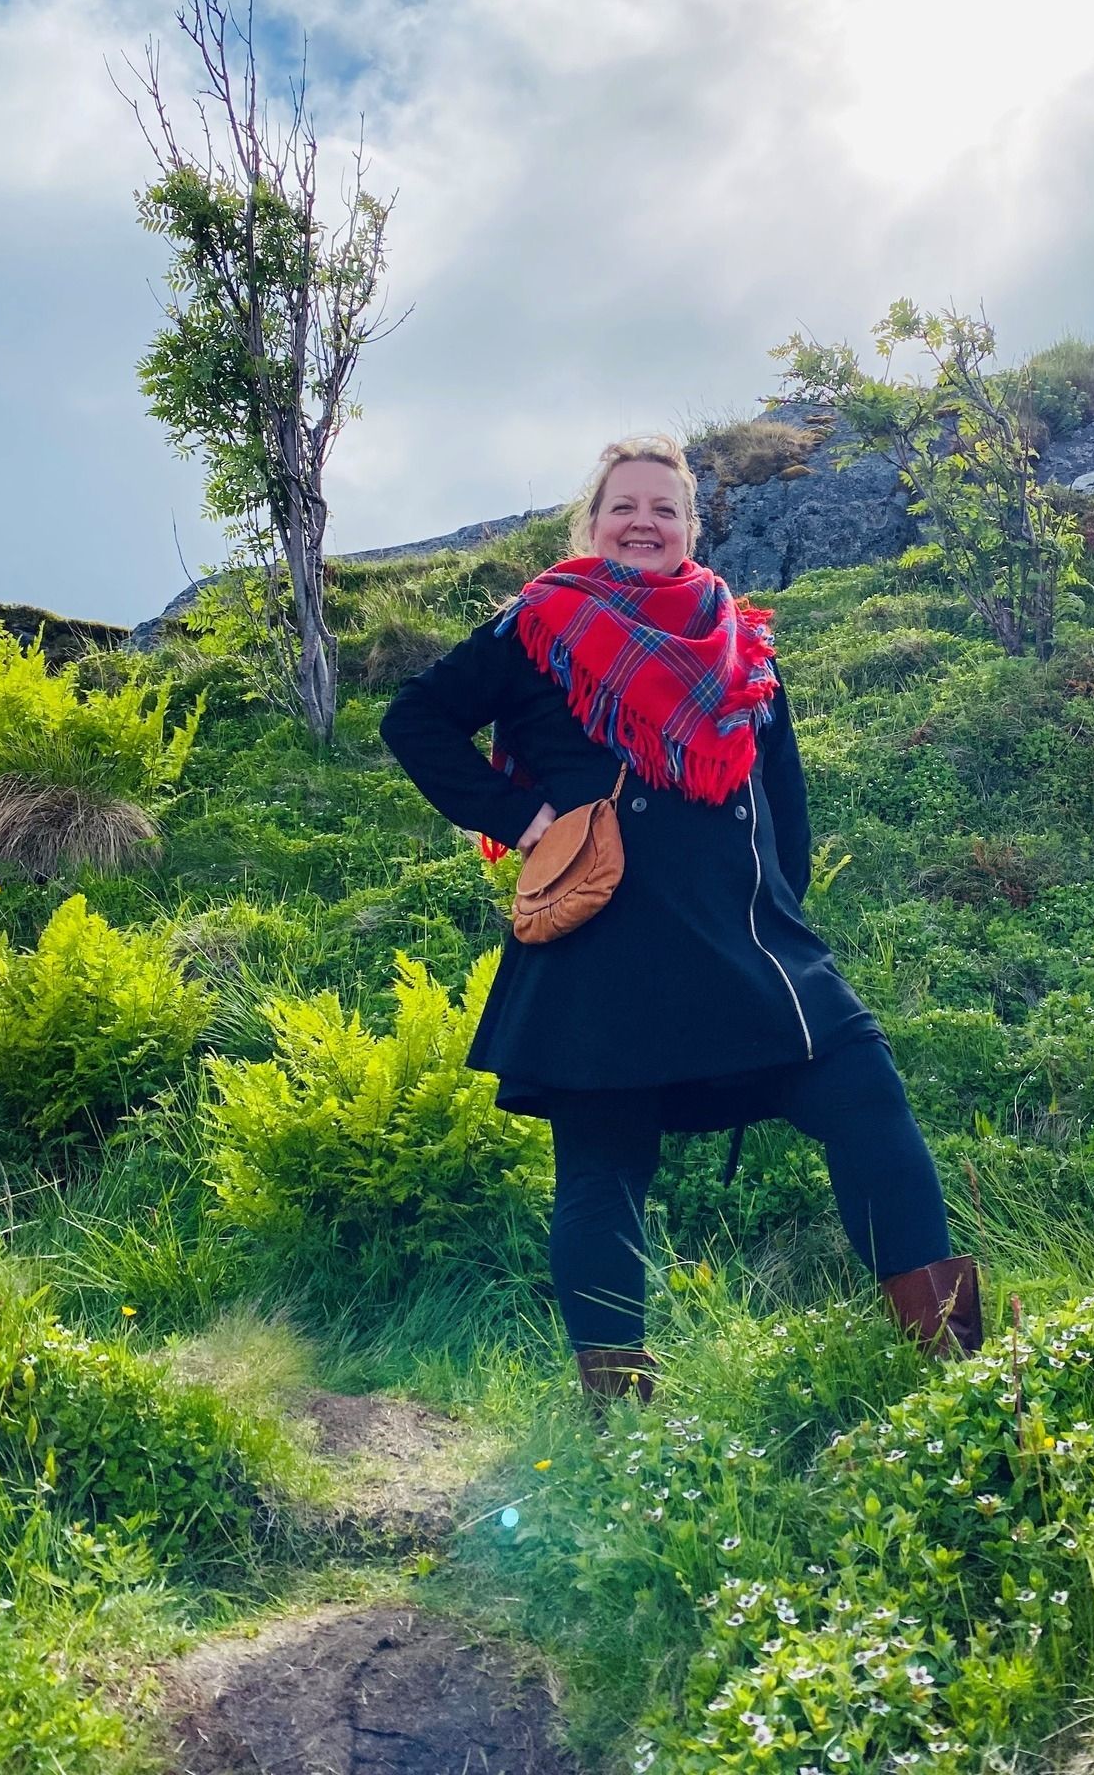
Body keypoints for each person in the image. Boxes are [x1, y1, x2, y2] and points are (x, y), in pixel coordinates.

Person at [379, 434, 980, 1406]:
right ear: (593, 521)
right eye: (625, 505)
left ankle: (955, 1367)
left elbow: (787, 806)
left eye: (666, 507)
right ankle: (620, 1421)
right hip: (601, 954)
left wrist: (779, 912)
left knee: (866, 1096)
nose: (644, 521)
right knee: (602, 1170)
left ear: (693, 526)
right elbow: (415, 719)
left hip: (750, 950)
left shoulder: (744, 645)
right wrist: (522, 819)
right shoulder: (539, 626)